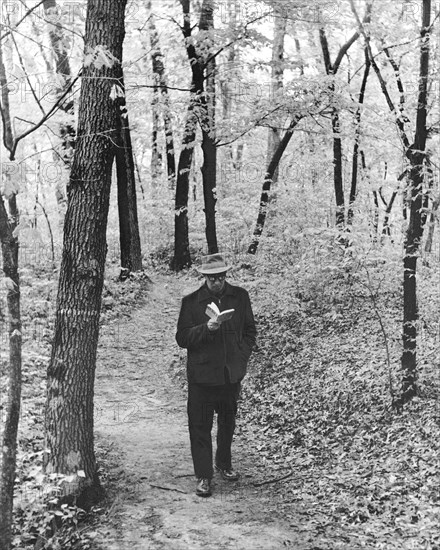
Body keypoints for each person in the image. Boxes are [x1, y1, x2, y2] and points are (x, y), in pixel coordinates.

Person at [176, 253, 257, 497]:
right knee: (200, 426)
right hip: (201, 377)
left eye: (221, 277)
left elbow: (250, 331)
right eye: (212, 278)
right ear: (204, 278)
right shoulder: (191, 302)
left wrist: (241, 359)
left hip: (229, 375)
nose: (217, 282)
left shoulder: (240, 297)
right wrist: (205, 329)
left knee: (227, 423)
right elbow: (182, 338)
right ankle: (203, 476)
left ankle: (224, 463)